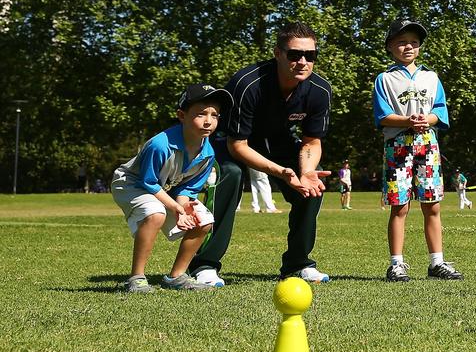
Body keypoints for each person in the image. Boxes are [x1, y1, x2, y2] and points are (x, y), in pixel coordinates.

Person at [188, 21, 333, 286]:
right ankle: (204, 265)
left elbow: (312, 141)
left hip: (278, 141)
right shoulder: (248, 83)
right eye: (294, 54)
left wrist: (307, 171)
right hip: (234, 141)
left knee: (311, 189)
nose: (303, 62)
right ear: (277, 53)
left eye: (310, 56)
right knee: (229, 175)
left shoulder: (320, 90)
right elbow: (238, 146)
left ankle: (297, 264)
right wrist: (280, 172)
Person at [110, 85, 231, 292]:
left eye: (215, 115)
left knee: (204, 221)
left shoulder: (208, 153)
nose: (209, 121)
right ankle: (136, 278)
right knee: (155, 214)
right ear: (181, 115)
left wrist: (185, 208)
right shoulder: (160, 144)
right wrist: (177, 209)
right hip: (130, 184)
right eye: (201, 114)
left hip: (164, 190)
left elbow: (188, 188)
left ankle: (176, 277)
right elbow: (147, 181)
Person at [375, 19, 464, 282]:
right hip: (398, 146)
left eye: (414, 42)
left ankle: (437, 262)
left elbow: (440, 110)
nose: (408, 47)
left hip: (427, 145)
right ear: (390, 47)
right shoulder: (385, 79)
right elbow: (382, 116)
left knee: (432, 205)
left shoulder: (431, 77)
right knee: (399, 206)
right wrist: (407, 121)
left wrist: (429, 120)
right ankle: (396, 264)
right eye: (401, 42)